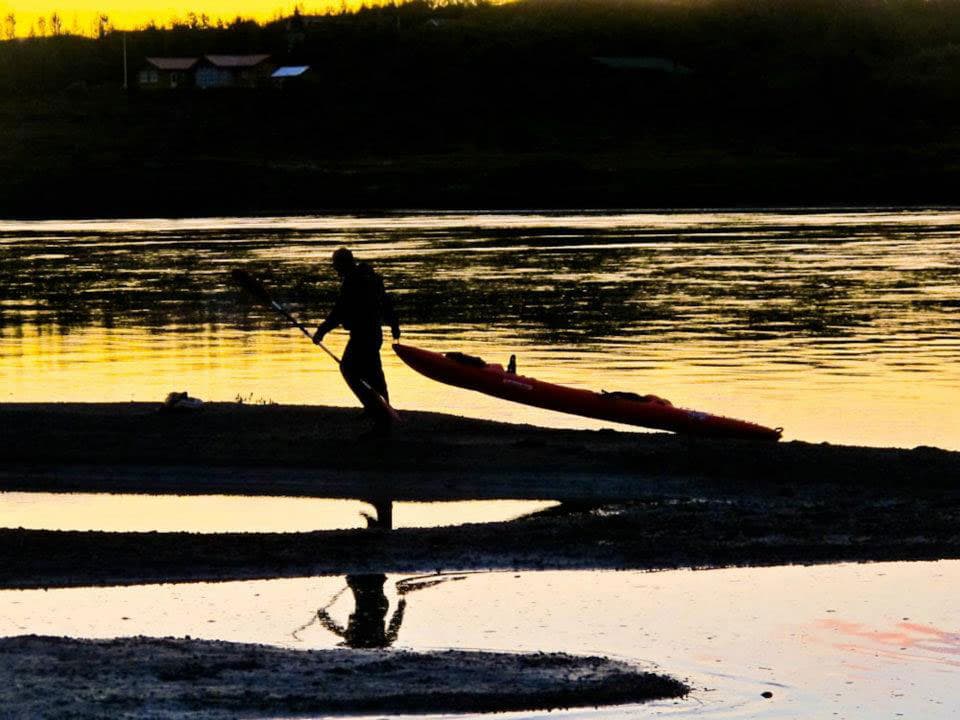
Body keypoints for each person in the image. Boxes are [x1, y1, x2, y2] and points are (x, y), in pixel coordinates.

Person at [313, 248, 400, 435]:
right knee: (374, 374)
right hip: (373, 334)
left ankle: (379, 415)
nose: (336, 271)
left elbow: (339, 311)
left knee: (350, 369)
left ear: (344, 264)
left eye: (337, 266)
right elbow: (386, 303)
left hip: (363, 335)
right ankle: (380, 409)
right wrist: (394, 325)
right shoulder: (372, 278)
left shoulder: (352, 282)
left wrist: (321, 331)